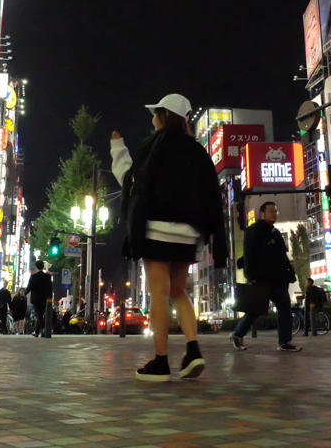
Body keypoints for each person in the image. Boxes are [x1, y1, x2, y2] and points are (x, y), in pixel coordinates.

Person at [112, 93, 228, 382]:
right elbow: (212, 195)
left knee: (159, 294)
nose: (152, 119)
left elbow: (131, 182)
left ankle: (161, 362)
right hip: (188, 233)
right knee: (179, 291)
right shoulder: (199, 151)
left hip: (156, 231)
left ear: (163, 115)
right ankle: (192, 349)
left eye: (155, 114)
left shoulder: (153, 146)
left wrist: (117, 149)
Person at [231, 202, 302, 354]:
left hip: (279, 279)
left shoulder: (275, 232)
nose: (274, 214)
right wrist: (251, 276)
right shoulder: (253, 230)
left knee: (285, 310)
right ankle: (238, 334)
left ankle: (285, 342)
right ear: (262, 213)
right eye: (271, 211)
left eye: (276, 211)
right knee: (255, 310)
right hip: (262, 279)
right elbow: (249, 255)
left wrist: (290, 272)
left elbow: (282, 256)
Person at [25, 261, 52, 337]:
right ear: (43, 266)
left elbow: (29, 287)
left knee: (38, 314)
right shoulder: (47, 276)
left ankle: (43, 329)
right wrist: (50, 298)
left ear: (36, 267)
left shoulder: (33, 277)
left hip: (36, 298)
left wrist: (24, 294)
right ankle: (37, 331)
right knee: (41, 314)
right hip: (45, 298)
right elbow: (50, 288)